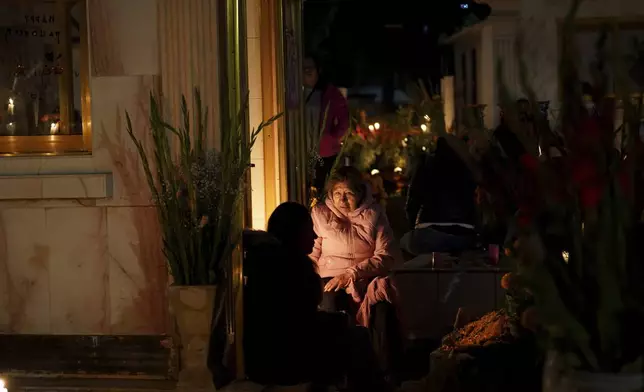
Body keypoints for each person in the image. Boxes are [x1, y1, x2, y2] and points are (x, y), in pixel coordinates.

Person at [244, 202, 392, 391]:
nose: (315, 236)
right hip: (284, 357)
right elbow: (298, 323)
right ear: (294, 232)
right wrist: (338, 322)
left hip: (271, 352)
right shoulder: (290, 268)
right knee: (356, 337)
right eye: (310, 230)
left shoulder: (267, 260)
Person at [309, 166, 402, 379]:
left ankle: (383, 373)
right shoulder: (320, 214)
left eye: (348, 193)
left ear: (360, 193)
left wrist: (353, 273)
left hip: (366, 278)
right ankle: (340, 374)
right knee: (333, 307)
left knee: (382, 309)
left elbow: (385, 256)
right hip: (330, 278)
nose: (342, 199)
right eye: (337, 194)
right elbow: (311, 254)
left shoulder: (375, 213)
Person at [402, 137, 478, 256]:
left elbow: (412, 202)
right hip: (464, 233)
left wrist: (413, 226)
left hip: (429, 232)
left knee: (405, 243)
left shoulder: (426, 164)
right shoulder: (468, 167)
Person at [303, 55, 350, 192]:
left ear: (318, 70)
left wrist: (331, 137)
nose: (306, 71)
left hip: (324, 152)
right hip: (302, 150)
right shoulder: (296, 92)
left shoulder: (330, 93)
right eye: (303, 68)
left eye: (309, 68)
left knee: (322, 188)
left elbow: (344, 120)